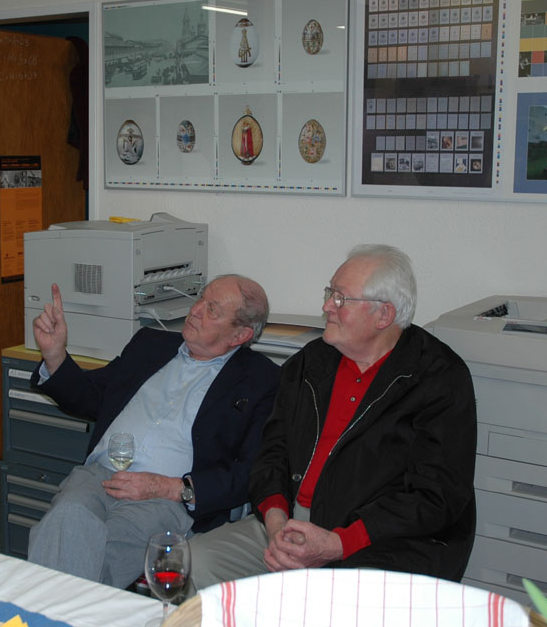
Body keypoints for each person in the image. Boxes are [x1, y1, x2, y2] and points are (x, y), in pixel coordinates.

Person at [190, 245, 477, 589]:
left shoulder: (439, 379)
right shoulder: (311, 362)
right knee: (193, 562)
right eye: (330, 294)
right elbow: (272, 453)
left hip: (379, 541)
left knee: (333, 600)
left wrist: (337, 543)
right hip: (288, 523)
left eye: (340, 298)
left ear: (383, 315)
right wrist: (276, 523)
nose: (327, 306)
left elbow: (436, 497)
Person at [26, 275, 280, 588]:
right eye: (201, 298)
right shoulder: (149, 345)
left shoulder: (262, 381)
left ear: (240, 335)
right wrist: (55, 355)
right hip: (99, 475)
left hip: (165, 498)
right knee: (68, 517)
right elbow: (92, 398)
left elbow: (253, 472)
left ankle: (39, 605)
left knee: (91, 545)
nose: (196, 309)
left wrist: (175, 488)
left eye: (212, 309)